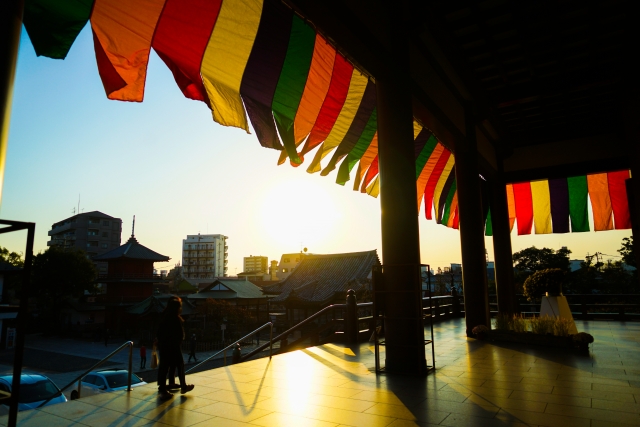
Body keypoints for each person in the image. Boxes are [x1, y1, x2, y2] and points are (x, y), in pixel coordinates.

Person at [156, 296, 194, 399]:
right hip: (173, 347)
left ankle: (164, 388)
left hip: (164, 346)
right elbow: (178, 334)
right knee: (180, 365)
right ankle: (182, 386)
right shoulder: (174, 319)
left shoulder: (164, 317)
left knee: (164, 367)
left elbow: (159, 332)